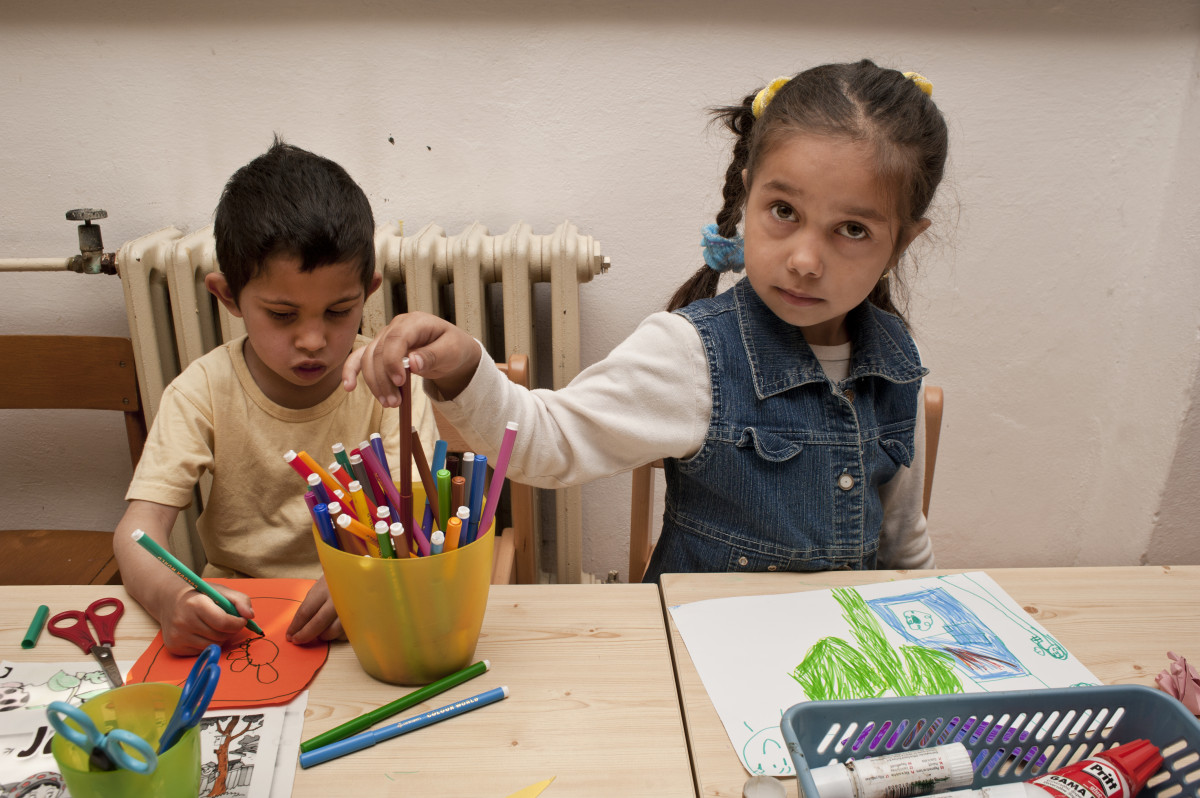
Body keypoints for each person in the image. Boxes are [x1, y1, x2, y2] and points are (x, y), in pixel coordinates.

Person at [346, 60, 948, 582]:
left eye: (852, 229)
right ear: (747, 196)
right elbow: (548, 443)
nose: (805, 261)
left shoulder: (894, 362)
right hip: (702, 659)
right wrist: (464, 365)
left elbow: (902, 543)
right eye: (784, 211)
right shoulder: (691, 353)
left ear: (901, 242)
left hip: (839, 672)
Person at [113, 138, 437, 653]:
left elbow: (417, 518)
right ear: (227, 297)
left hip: (370, 609)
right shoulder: (201, 391)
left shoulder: (390, 383)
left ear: (369, 293)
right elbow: (138, 530)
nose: (312, 340)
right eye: (283, 315)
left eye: (338, 311)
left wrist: (371, 577)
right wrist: (170, 597)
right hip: (238, 625)